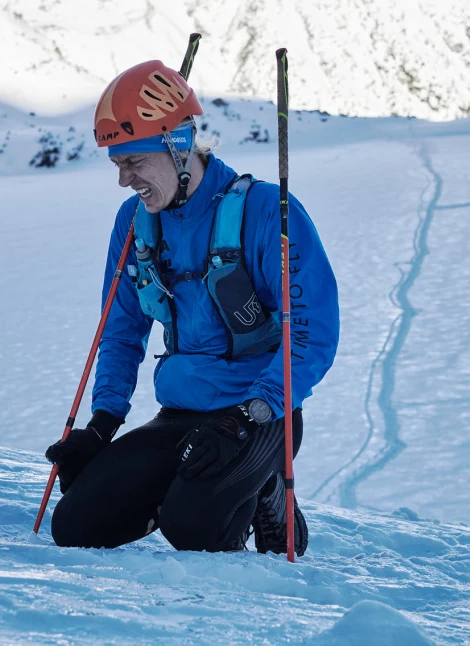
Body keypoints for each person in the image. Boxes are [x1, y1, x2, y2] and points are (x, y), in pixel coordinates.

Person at [46, 59, 339, 554]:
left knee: (195, 530)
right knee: (75, 527)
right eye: (118, 165)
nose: (124, 180)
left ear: (179, 144)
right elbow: (119, 333)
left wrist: (248, 416)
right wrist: (101, 427)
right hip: (181, 414)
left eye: (134, 162)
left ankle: (265, 488)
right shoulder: (135, 222)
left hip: (260, 414)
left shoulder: (265, 211)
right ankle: (187, 489)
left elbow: (312, 334)